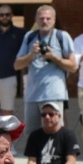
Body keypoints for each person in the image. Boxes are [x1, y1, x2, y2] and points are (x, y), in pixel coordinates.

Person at [13, 6, 76, 148]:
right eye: (41, 18)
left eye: (48, 18)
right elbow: (16, 65)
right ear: (36, 19)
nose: (45, 21)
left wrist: (53, 57)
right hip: (32, 95)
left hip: (53, 94)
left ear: (54, 21)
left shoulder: (61, 36)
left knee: (55, 133)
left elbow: (73, 66)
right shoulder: (29, 37)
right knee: (33, 135)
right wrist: (31, 54)